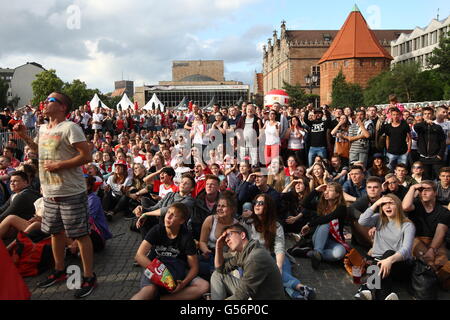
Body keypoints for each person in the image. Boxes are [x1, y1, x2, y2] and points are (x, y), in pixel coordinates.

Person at [13, 92, 96, 298]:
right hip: (49, 192)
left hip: (71, 192)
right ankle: (59, 270)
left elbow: (86, 156)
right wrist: (24, 135)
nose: (44, 103)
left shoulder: (70, 127)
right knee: (55, 233)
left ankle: (88, 276)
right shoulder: (42, 128)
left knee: (80, 235)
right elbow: (39, 152)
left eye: (49, 100)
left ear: (62, 107)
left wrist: (60, 164)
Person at [243, 193, 315, 299]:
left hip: (274, 255)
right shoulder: (248, 224)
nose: (257, 205)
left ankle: (300, 293)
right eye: (255, 203)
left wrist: (279, 266)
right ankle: (300, 289)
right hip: (256, 259)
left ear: (268, 206)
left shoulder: (276, 226)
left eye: (261, 203)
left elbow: (279, 247)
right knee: (274, 274)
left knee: (280, 271)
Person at [131, 203, 209, 300]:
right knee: (149, 290)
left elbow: (194, 267)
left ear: (181, 221)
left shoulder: (186, 237)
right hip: (155, 267)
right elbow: (139, 256)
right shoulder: (157, 230)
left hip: (178, 269)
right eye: (168, 212)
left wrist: (183, 283)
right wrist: (161, 275)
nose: (168, 216)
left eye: (174, 215)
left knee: (203, 286)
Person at [356, 194, 415, 300]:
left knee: (388, 254)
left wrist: (390, 260)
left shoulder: (407, 225)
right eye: (384, 204)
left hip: (399, 263)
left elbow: (406, 250)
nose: (387, 206)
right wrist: (376, 203)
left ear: (398, 206)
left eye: (391, 203)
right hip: (379, 263)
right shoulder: (378, 219)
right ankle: (384, 296)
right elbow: (362, 221)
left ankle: (366, 288)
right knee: (379, 265)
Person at [210, 223, 286, 300]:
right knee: (217, 275)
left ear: (242, 235)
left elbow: (242, 296)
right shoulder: (242, 252)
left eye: (229, 234)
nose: (227, 239)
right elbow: (220, 269)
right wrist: (218, 247)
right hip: (253, 293)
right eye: (225, 239)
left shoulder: (255, 257)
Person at [402, 181, 450, 286]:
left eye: (427, 190)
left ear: (435, 192)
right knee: (427, 258)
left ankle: (430, 276)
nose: (423, 192)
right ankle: (435, 276)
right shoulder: (415, 206)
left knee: (442, 260)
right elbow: (405, 207)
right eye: (420, 190)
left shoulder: (443, 211)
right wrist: (413, 187)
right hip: (416, 239)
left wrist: (432, 249)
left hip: (436, 242)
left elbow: (440, 232)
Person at [301, 182, 349, 270]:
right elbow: (304, 203)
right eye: (325, 190)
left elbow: (329, 217)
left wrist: (309, 225)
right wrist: (316, 190)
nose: (326, 192)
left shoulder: (341, 208)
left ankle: (312, 253)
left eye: (330, 190)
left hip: (333, 241)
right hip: (318, 238)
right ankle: (317, 252)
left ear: (338, 194)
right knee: (325, 224)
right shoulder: (321, 205)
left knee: (340, 253)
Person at [135, 175, 196, 239]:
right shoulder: (170, 194)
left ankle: (150, 242)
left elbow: (168, 210)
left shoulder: (190, 200)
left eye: (186, 183)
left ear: (192, 188)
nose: (183, 184)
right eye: (182, 182)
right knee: (143, 208)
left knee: (147, 216)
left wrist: (146, 214)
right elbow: (155, 207)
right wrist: (142, 209)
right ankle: (147, 243)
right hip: (160, 222)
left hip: (174, 227)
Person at [198, 190, 239, 280]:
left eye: (223, 206)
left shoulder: (237, 225)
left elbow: (235, 250)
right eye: (218, 206)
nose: (219, 208)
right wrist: (205, 250)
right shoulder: (210, 220)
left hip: (226, 257)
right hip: (209, 254)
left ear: (232, 209)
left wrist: (222, 257)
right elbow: (202, 241)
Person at [349, 176, 383, 247]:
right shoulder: (364, 200)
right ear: (366, 189)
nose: (372, 190)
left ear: (381, 189)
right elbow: (350, 209)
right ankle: (374, 246)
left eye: (375, 187)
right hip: (368, 232)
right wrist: (368, 223)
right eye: (369, 187)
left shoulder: (386, 199)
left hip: (384, 228)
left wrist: (377, 226)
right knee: (358, 220)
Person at [414, 106, 446, 180]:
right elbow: (416, 127)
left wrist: (440, 155)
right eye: (425, 114)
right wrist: (425, 122)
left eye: (429, 114)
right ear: (422, 116)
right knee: (426, 179)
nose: (427, 115)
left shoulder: (438, 127)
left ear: (432, 115)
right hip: (424, 157)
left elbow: (443, 142)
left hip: (436, 157)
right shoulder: (420, 126)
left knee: (439, 178)